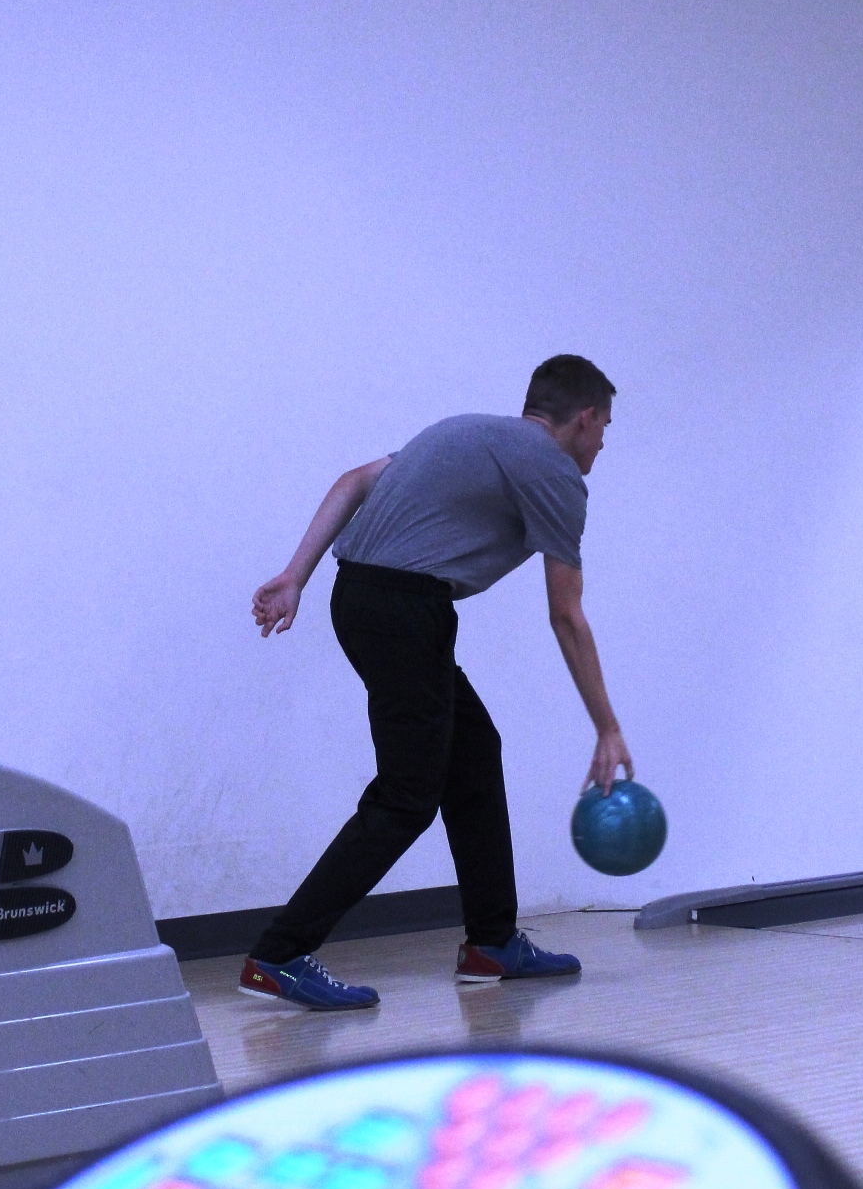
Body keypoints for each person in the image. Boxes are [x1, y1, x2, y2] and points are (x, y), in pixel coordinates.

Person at [240, 355, 630, 1011]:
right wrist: (607, 727)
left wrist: (295, 576)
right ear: (584, 418)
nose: (601, 445)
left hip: (361, 597)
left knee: (473, 752)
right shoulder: (556, 472)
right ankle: (278, 954)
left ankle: (492, 943)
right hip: (404, 610)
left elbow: (354, 481)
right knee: (407, 795)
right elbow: (566, 612)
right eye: (604, 429)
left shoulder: (466, 432)